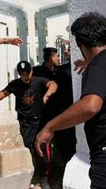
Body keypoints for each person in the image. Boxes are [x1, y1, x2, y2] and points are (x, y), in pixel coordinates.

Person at [35, 12, 106, 189]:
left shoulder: (100, 65)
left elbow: (90, 106)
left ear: (79, 43)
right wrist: (91, 63)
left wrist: (50, 127)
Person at [0, 61, 57, 189]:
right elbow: (5, 92)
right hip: (24, 123)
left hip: (38, 123)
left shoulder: (38, 81)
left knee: (39, 148)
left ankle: (45, 176)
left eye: (27, 73)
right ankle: (34, 174)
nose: (26, 76)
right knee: (28, 148)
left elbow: (52, 84)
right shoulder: (16, 84)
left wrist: (48, 93)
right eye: (22, 74)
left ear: (31, 71)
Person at [32, 47, 76, 189]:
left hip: (64, 117)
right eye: (57, 55)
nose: (62, 55)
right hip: (50, 115)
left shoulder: (64, 71)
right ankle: (44, 175)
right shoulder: (47, 72)